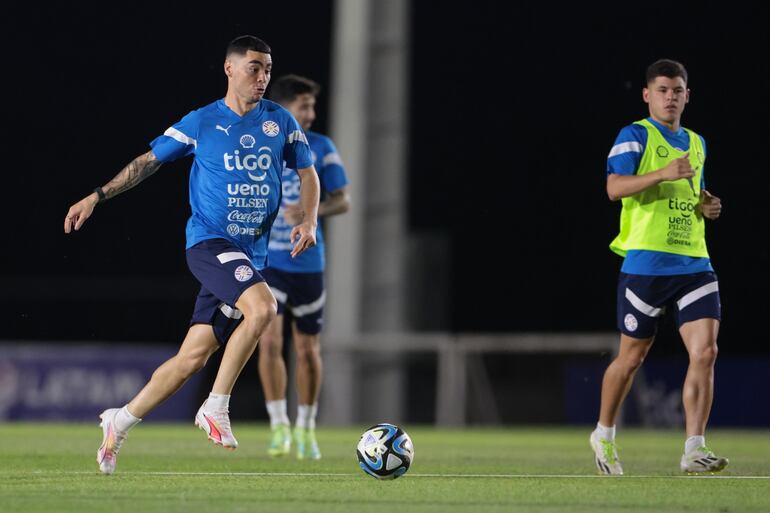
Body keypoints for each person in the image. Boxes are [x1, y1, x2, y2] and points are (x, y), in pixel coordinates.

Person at [63, 35, 320, 475]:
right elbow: (148, 161)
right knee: (264, 307)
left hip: (249, 256)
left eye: (268, 69)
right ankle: (216, 407)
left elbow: (308, 172)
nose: (263, 77)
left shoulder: (280, 122)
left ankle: (118, 421)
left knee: (192, 358)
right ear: (229, 69)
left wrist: (310, 220)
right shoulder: (202, 122)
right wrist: (97, 195)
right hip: (209, 244)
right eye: (255, 68)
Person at [590, 59, 727, 475]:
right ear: (648, 94)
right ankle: (604, 434)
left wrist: (707, 205)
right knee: (631, 359)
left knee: (706, 352)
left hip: (694, 262)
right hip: (646, 265)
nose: (671, 97)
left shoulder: (697, 142)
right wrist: (661, 173)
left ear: (688, 95)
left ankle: (694, 449)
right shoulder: (635, 135)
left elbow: (692, 191)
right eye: (663, 90)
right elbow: (614, 188)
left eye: (678, 90)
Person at [256, 75, 350, 460]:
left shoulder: (321, 147)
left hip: (308, 263)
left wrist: (312, 211)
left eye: (312, 106)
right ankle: (279, 427)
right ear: (283, 110)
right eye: (303, 107)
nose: (310, 114)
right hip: (270, 262)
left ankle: (307, 428)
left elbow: (342, 200)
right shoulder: (262, 145)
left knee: (308, 350)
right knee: (269, 341)